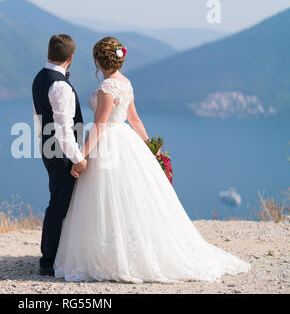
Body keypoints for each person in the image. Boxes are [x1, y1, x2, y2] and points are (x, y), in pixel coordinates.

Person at [53, 36, 251, 283]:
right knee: (129, 199)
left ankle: (113, 255)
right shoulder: (125, 83)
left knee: (107, 200)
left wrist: (80, 156)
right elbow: (134, 119)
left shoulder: (106, 89)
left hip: (110, 145)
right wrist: (150, 147)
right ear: (119, 58)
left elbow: (101, 125)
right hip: (127, 141)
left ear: (97, 62)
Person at [32, 34, 87, 276]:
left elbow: (39, 118)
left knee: (59, 200)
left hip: (49, 147)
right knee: (59, 204)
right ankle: (49, 260)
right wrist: (78, 158)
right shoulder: (60, 86)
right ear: (71, 57)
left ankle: (56, 255)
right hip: (62, 151)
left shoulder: (40, 77)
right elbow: (64, 130)